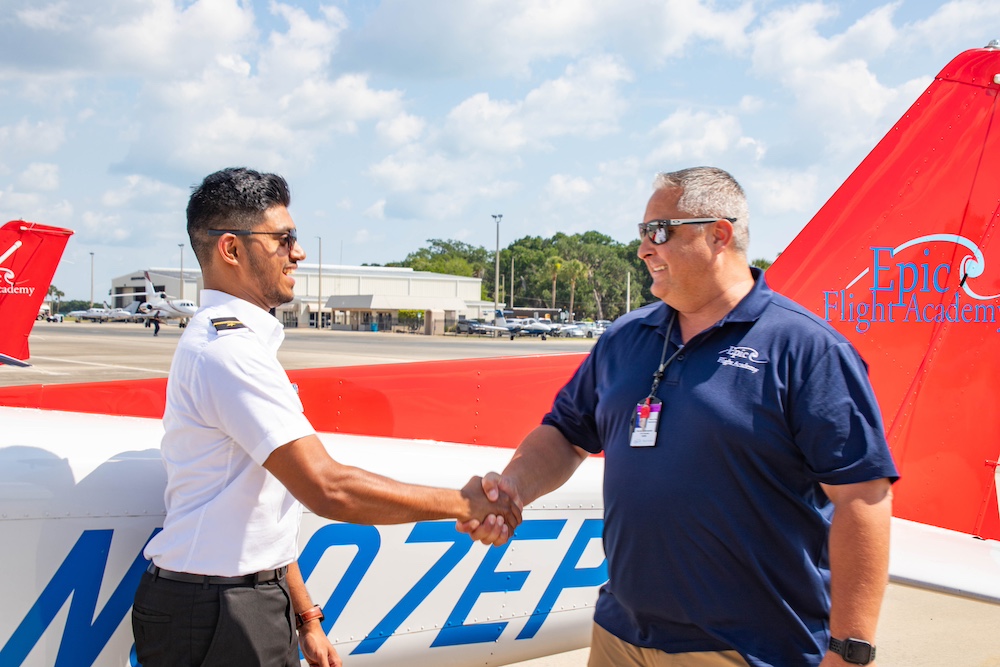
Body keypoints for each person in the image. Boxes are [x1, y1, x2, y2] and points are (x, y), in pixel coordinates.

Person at [461, 167, 897, 667]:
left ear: (720, 235)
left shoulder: (807, 350)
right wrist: (512, 487)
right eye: (642, 234)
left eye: (659, 232)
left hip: (749, 648)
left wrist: (850, 650)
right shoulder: (625, 338)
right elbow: (565, 434)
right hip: (620, 635)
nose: (644, 249)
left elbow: (863, 497)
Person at [131, 167, 520, 667]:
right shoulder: (229, 353)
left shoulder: (237, 345)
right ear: (231, 249)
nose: (298, 252)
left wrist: (305, 616)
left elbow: (262, 507)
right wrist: (463, 504)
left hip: (241, 600)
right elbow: (326, 487)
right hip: (218, 610)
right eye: (283, 238)